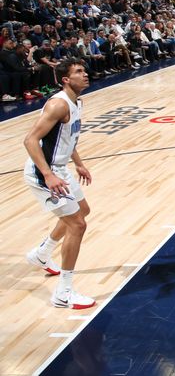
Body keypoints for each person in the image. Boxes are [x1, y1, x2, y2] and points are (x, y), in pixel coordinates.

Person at [23, 57, 96, 309]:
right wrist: (48, 174)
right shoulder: (58, 104)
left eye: (84, 70)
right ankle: (63, 293)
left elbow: (69, 137)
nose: (84, 74)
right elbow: (30, 140)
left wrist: (78, 162)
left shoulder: (77, 101)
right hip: (43, 172)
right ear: (66, 79)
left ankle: (42, 254)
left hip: (60, 168)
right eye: (78, 72)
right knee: (77, 224)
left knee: (82, 210)